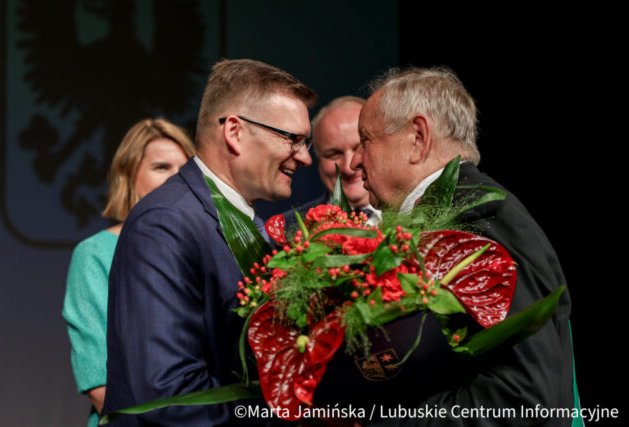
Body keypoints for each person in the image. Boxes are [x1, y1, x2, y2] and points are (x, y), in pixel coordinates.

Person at [319, 67, 577, 426]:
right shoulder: (458, 213)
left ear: (418, 137)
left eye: (366, 140)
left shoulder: (480, 217)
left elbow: (521, 398)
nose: (354, 161)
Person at [103, 59, 316, 426]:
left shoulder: (249, 224)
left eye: (306, 142)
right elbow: (169, 394)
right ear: (234, 131)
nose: (306, 157)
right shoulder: (165, 222)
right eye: (292, 138)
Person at [62, 118, 195, 427]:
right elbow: (101, 387)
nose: (178, 179)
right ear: (128, 176)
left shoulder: (206, 250)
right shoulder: (95, 254)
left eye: (186, 169)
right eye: (161, 167)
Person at [284, 96, 380, 225]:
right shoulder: (283, 230)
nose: (348, 168)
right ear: (318, 161)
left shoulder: (408, 216)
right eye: (334, 154)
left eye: (359, 148)